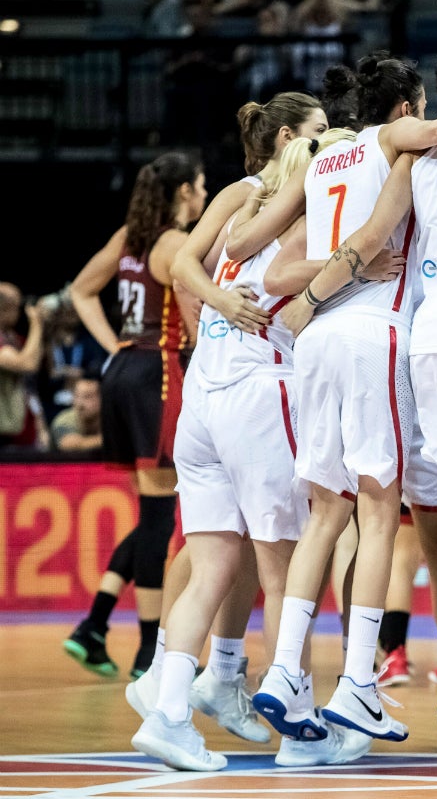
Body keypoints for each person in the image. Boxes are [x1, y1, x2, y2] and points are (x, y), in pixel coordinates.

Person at [233, 51, 437, 748]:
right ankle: (359, 681)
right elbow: (376, 233)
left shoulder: (322, 157)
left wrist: (310, 285)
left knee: (326, 514)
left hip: (321, 345)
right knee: (381, 515)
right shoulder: (407, 149)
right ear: (409, 111)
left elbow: (247, 247)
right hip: (381, 332)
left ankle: (285, 670)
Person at [129, 130, 374, 772]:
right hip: (260, 396)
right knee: (285, 574)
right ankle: (300, 729)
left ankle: (169, 712)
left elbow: (192, 263)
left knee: (211, 567)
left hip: (203, 399)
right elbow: (284, 274)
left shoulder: (240, 206)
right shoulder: (304, 215)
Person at [63, 152, 207, 680]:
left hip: (124, 373)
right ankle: (150, 653)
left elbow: (80, 290)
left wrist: (114, 347)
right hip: (158, 373)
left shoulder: (129, 236)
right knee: (159, 516)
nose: (206, 194)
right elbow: (195, 322)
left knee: (152, 510)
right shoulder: (173, 245)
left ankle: (95, 624)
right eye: (200, 185)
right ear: (182, 194)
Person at [0, 284, 45, 450]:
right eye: (17, 306)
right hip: (4, 437)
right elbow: (28, 364)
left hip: (21, 433)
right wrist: (36, 322)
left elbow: (33, 362)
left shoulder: (13, 338)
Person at [51, 371, 102, 453]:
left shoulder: (110, 418)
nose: (80, 404)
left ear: (102, 399)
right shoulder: (64, 420)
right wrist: (108, 440)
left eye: (87, 397)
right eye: (76, 396)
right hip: (63, 465)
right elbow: (68, 445)